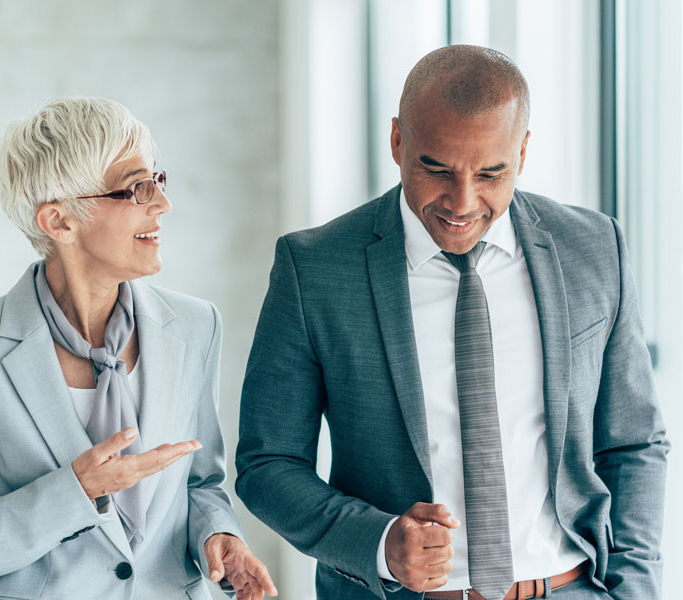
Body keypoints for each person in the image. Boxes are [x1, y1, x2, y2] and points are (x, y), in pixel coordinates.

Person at [235, 45, 668, 600]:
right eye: (436, 168)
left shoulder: (593, 247)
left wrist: (635, 590)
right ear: (397, 141)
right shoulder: (315, 268)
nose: (463, 202)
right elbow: (267, 463)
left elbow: (633, 443)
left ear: (524, 151)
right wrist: (380, 542)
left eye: (491, 173)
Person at [0, 97, 277, 600]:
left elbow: (199, 485)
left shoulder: (196, 326)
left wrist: (220, 537)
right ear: (60, 222)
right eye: (136, 188)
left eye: (158, 180)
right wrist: (77, 491)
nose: (163, 204)